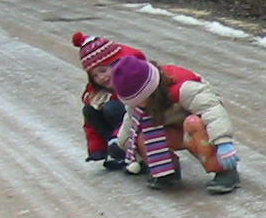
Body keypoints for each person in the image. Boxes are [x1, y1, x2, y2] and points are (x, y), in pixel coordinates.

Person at [110, 55, 241, 194]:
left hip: (198, 130)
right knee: (142, 136)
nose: (138, 105)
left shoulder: (184, 89)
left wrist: (223, 141)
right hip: (172, 131)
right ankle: (166, 171)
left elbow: (212, 111)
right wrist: (121, 145)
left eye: (140, 100)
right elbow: (131, 124)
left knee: (193, 123)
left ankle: (224, 171)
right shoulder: (138, 104)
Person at [72, 31, 145, 170]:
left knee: (113, 107)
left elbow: (134, 115)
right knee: (90, 110)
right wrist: (96, 147)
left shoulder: (134, 82)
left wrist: (116, 139)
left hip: (139, 125)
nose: (102, 78)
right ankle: (114, 150)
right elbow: (89, 124)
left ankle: (130, 151)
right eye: (95, 75)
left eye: (104, 70)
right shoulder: (99, 93)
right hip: (119, 132)